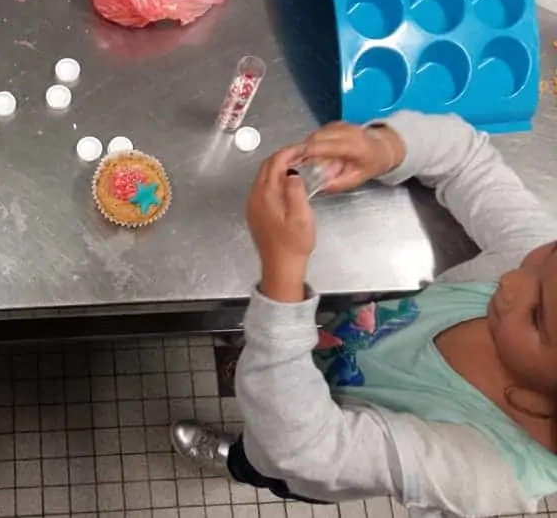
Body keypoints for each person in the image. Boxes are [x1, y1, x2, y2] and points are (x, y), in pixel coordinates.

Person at [171, 111, 557, 516]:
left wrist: (282, 275)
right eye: (550, 254)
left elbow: (302, 447)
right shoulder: (540, 275)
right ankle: (271, 363)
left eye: (536, 317)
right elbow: (467, 157)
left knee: (261, 459)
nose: (512, 278)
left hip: (298, 449)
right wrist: (385, 147)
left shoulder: (483, 473)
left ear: (540, 402)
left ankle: (235, 461)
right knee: (273, 368)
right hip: (339, 344)